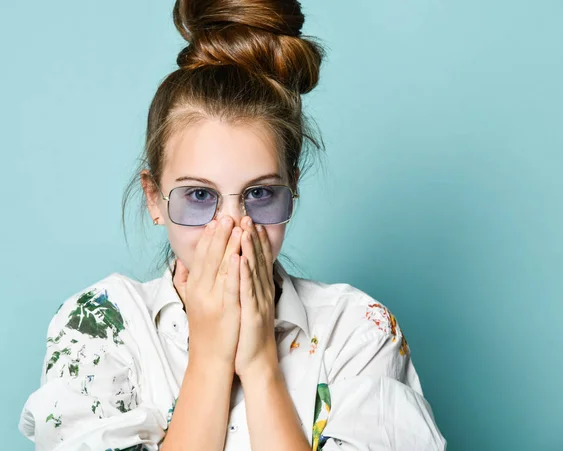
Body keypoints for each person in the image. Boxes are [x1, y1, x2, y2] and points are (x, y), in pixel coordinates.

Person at [18, 1, 447, 450]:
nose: (234, 226)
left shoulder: (357, 330)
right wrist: (209, 358)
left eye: (259, 193)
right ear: (154, 198)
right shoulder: (102, 327)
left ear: (292, 188)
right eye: (200, 196)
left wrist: (261, 362)